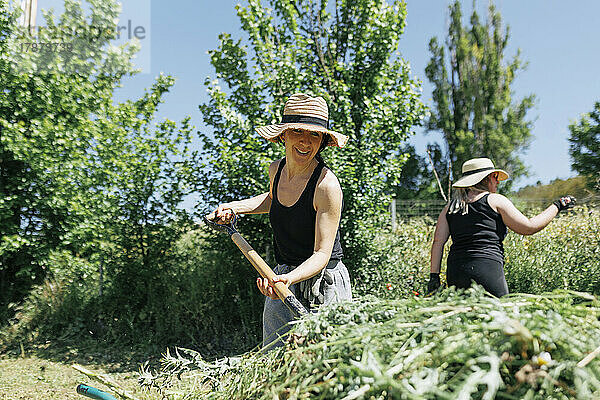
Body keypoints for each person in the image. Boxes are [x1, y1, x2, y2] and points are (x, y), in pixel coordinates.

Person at [210, 93, 352, 348]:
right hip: (282, 275)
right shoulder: (276, 170)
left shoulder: (326, 185)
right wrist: (233, 208)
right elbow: (275, 199)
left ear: (322, 142)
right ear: (283, 134)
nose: (306, 142)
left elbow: (321, 253)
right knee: (275, 359)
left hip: (323, 281)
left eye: (315, 135)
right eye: (298, 131)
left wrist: (287, 280)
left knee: (326, 365)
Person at [428, 157, 576, 297]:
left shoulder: (450, 207)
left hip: (456, 272)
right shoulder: (495, 200)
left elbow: (438, 243)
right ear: (485, 179)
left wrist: (434, 277)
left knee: (464, 319)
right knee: (499, 319)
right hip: (486, 268)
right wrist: (558, 205)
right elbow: (529, 227)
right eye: (495, 177)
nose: (498, 182)